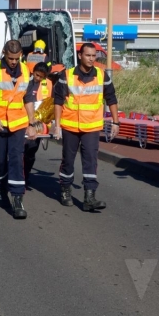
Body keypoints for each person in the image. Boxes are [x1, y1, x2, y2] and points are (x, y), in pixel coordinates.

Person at [52, 42, 119, 211]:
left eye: (93, 56)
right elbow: (58, 101)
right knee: (68, 160)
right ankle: (65, 190)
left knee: (90, 161)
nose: (91, 59)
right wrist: (57, 125)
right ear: (80, 56)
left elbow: (111, 99)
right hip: (70, 126)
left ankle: (90, 196)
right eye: (88, 55)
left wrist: (116, 122)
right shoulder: (66, 75)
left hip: (91, 126)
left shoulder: (102, 75)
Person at [0, 39, 37, 219]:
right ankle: (0, 185)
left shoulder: (26, 71)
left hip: (18, 123)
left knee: (16, 159)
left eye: (17, 58)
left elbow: (28, 98)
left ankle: (17, 199)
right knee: (0, 160)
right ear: (4, 53)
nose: (13, 61)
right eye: (11, 58)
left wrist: (32, 123)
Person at [22, 62, 52, 190]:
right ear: (32, 71)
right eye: (36, 75)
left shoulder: (48, 84)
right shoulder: (25, 82)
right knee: (21, 150)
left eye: (41, 77)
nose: (38, 78)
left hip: (39, 124)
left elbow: (50, 103)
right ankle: (20, 176)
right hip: (23, 121)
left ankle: (26, 174)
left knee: (31, 151)